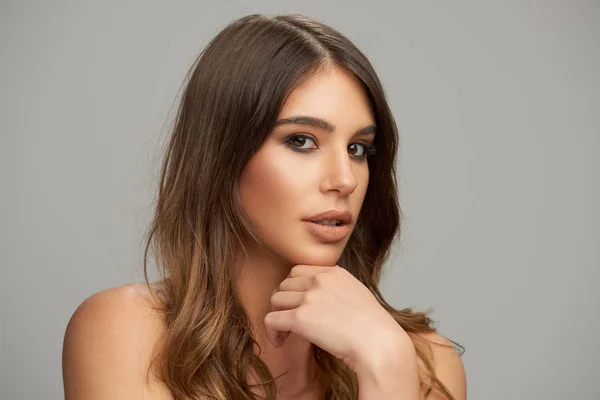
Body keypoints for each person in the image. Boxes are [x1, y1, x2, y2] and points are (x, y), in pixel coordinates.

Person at [62, 13, 466, 400]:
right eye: (301, 141)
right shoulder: (127, 332)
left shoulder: (420, 360)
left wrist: (385, 369)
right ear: (222, 155)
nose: (345, 180)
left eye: (358, 148)